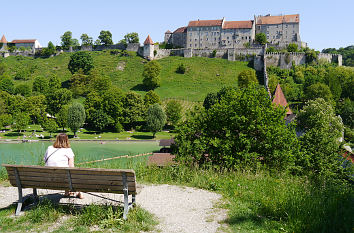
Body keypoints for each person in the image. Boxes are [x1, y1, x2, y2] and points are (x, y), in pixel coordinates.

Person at [44, 133, 83, 199]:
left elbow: (45, 160)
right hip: (63, 179)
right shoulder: (68, 150)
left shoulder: (49, 148)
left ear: (57, 139)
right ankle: (79, 192)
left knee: (64, 172)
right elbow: (71, 167)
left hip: (48, 178)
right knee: (70, 174)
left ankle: (67, 192)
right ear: (67, 140)